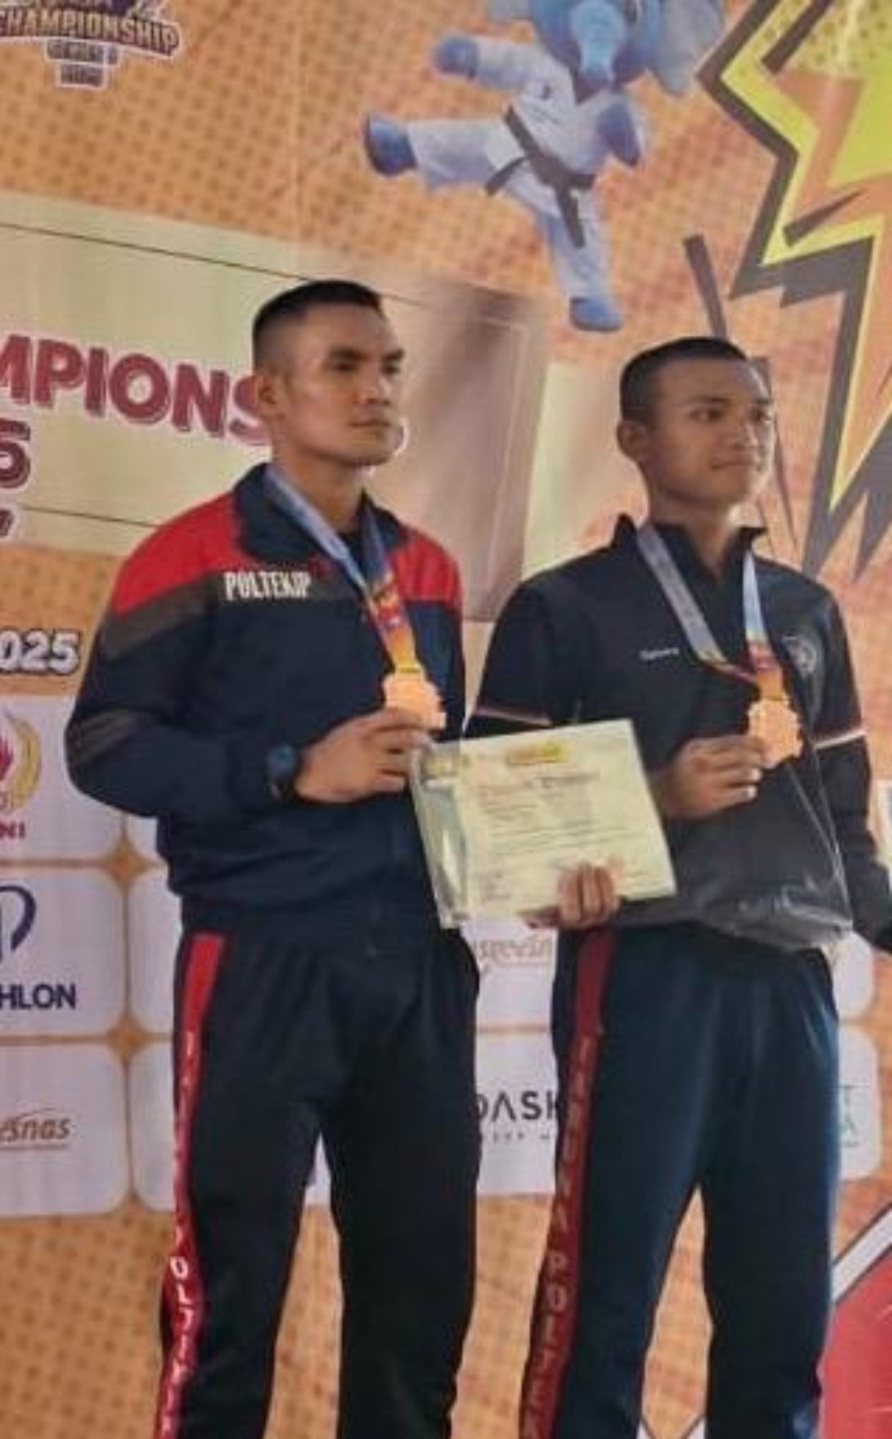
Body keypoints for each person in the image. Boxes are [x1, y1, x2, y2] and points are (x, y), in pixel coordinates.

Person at [65, 278, 611, 1439]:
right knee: (230, 1290)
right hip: (263, 955)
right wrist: (286, 769)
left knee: (419, 1294)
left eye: (390, 366)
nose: (377, 391)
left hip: (419, 961)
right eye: (344, 366)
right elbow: (101, 744)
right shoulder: (188, 555)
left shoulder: (428, 568)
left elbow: (443, 770)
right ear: (268, 394)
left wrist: (539, 858)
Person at [470, 335, 888, 1439]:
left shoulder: (802, 610)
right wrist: (656, 793)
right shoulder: (564, 606)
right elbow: (490, 814)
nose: (741, 433)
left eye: (756, 413)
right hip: (642, 974)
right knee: (605, 1295)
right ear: (635, 439)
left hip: (791, 986)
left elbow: (845, 818)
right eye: (707, 412)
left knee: (780, 1306)